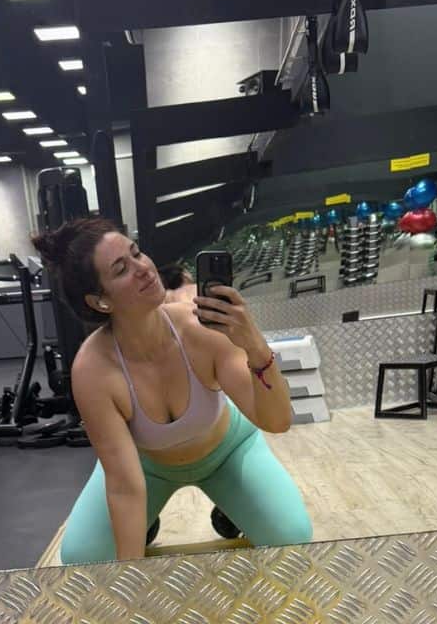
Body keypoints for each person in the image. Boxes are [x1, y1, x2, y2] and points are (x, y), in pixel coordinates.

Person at [32, 218, 312, 563]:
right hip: (146, 468)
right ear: (100, 301)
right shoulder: (93, 370)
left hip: (227, 452)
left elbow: (278, 421)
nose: (144, 269)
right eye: (121, 269)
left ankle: (234, 507)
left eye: (137, 253)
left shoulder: (199, 328)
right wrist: (130, 571)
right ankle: (147, 523)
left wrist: (255, 346)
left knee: (292, 536)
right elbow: (124, 484)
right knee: (82, 558)